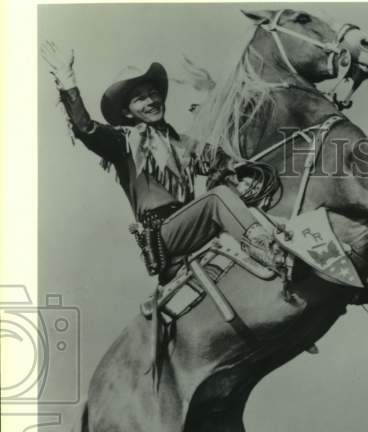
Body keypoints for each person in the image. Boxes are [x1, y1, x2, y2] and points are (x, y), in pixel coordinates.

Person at [40, 42, 274, 277]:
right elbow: (85, 128)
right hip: (163, 234)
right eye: (139, 99)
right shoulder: (123, 143)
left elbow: (224, 159)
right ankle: (270, 253)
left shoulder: (183, 143)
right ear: (127, 113)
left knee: (236, 190)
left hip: (192, 223)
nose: (150, 101)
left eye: (153, 94)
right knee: (216, 198)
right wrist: (67, 81)